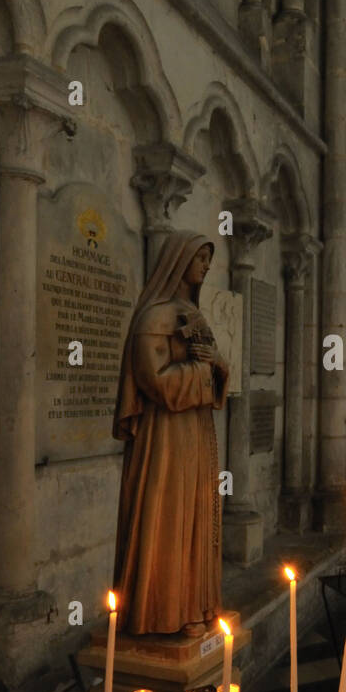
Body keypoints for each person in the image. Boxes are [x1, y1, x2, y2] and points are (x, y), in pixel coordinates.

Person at [112, 231, 229, 636]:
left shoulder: (192, 314)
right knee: (168, 516)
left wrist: (218, 365)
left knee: (194, 516)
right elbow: (155, 382)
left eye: (208, 259)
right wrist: (202, 371)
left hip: (195, 433)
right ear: (179, 260)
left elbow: (214, 370)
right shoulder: (155, 317)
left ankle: (193, 606)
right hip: (165, 438)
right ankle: (162, 612)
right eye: (200, 258)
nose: (206, 266)